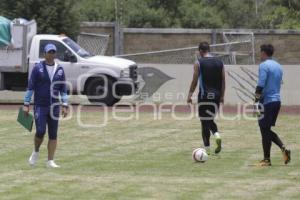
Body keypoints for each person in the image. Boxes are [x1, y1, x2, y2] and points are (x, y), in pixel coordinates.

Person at [23, 43, 69, 168]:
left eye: (53, 52)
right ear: (44, 54)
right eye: (49, 52)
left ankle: (50, 161)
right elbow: (31, 87)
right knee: (41, 131)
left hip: (54, 106)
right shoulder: (38, 68)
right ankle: (36, 151)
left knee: (53, 134)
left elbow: (63, 89)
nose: (51, 54)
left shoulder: (59, 69)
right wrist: (26, 104)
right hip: (40, 105)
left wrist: (65, 105)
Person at [254, 44, 290, 166]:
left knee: (264, 130)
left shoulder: (264, 65)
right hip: (276, 101)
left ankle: (269, 157)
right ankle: (269, 158)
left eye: (260, 52)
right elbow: (280, 82)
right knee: (266, 129)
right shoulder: (278, 66)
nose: (260, 55)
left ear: (264, 52)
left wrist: (256, 99)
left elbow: (261, 84)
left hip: (267, 102)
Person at [187, 41, 225, 155]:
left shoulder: (198, 62)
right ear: (209, 50)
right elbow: (223, 80)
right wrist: (222, 96)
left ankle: (207, 149)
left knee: (204, 122)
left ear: (200, 51)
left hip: (204, 96)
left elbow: (194, 80)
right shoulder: (220, 62)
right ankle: (217, 134)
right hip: (216, 96)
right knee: (210, 119)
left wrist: (190, 95)